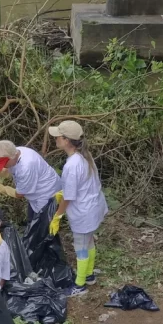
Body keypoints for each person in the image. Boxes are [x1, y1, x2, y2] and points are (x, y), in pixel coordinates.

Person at [48, 121, 107, 298]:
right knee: (89, 242)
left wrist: (57, 216)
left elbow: (69, 197)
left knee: (80, 247)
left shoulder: (72, 165)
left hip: (84, 213)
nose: (55, 139)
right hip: (93, 208)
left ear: (66, 140)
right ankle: (89, 276)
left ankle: (79, 285)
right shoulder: (84, 156)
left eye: (58, 136)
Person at [0, 140, 62, 221]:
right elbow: (14, 169)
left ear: (11, 158)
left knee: (42, 225)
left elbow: (20, 194)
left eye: (3, 164)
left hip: (47, 194)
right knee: (32, 220)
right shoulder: (14, 151)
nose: (4, 166)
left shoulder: (26, 167)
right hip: (37, 190)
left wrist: (1, 188)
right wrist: (2, 170)